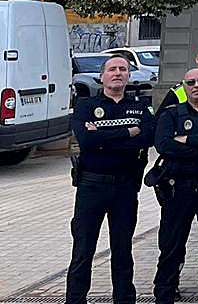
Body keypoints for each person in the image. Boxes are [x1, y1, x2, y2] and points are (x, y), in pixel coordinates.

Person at [66, 55, 155, 304]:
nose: (117, 73)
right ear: (102, 76)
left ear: (129, 75)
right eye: (112, 69)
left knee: (122, 250)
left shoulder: (140, 107)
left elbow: (148, 137)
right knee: (83, 251)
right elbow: (87, 140)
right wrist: (128, 132)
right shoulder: (86, 106)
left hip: (125, 187)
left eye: (123, 69)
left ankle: (124, 299)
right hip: (91, 186)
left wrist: (104, 135)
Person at [153, 67, 198, 304]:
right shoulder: (171, 113)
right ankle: (165, 293)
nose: (196, 86)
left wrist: (186, 140)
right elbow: (163, 145)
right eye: (191, 82)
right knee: (171, 244)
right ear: (184, 86)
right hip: (176, 187)